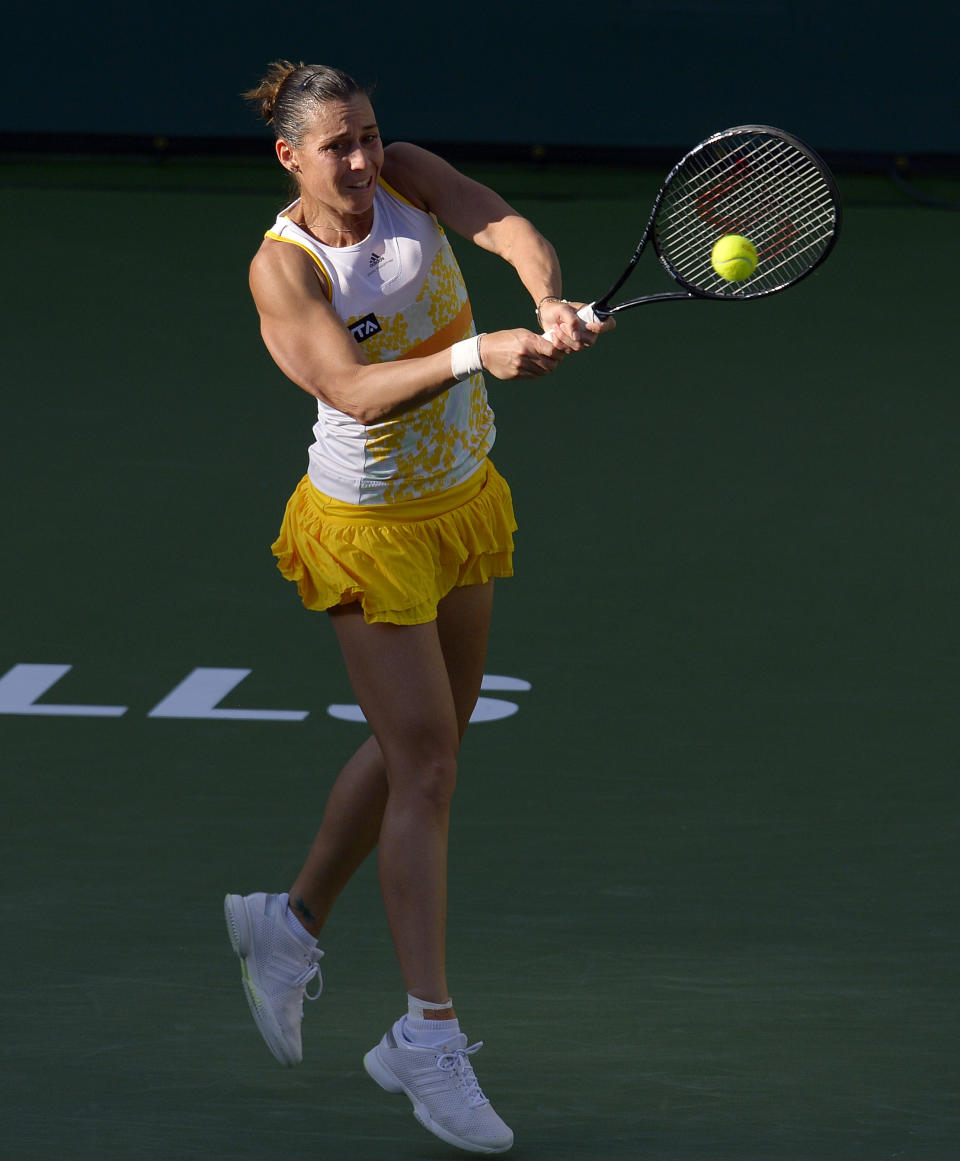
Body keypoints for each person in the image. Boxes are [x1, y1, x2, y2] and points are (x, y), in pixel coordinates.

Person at [224, 60, 609, 1155]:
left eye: (371, 136)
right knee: (431, 761)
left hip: (461, 502)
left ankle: (287, 924)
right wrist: (478, 351)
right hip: (367, 530)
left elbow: (503, 224)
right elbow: (347, 387)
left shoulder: (409, 178)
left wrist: (542, 297)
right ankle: (424, 1038)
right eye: (336, 146)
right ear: (289, 157)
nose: (362, 160)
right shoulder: (281, 271)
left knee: (415, 752)